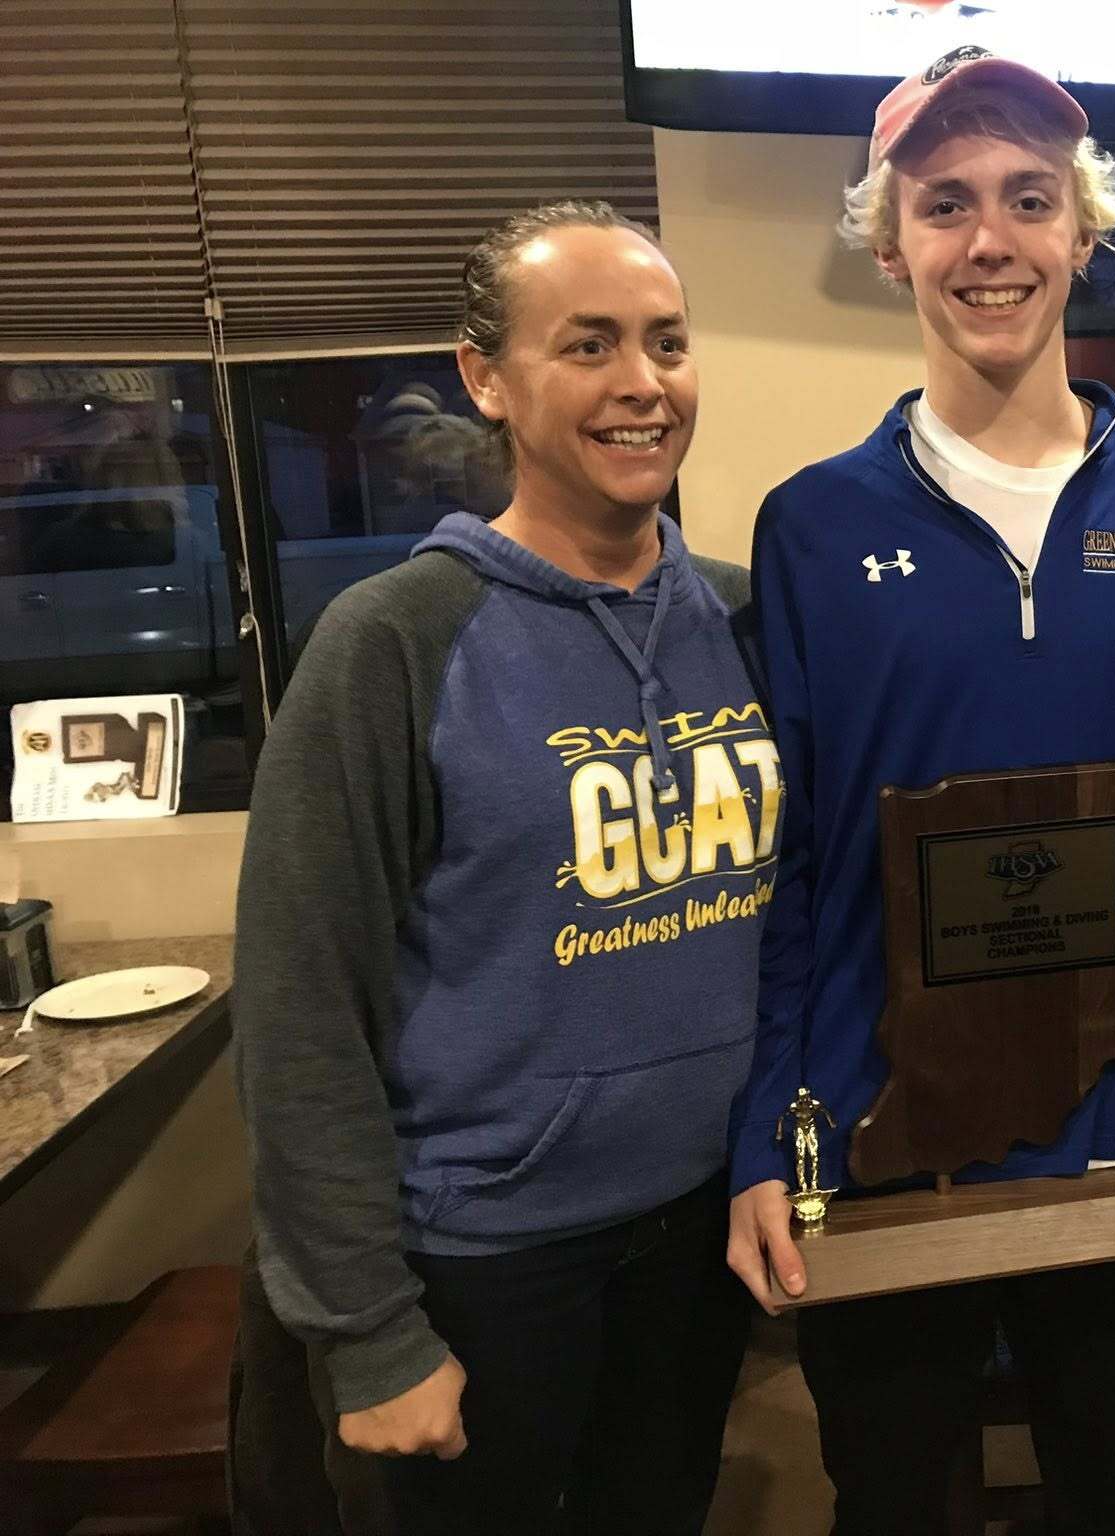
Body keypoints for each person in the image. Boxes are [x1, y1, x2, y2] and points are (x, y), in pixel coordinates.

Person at [724, 47, 1115, 1535]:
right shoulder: (811, 525)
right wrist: (768, 1136)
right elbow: (789, 867)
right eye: (946, 202)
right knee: (891, 1501)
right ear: (889, 242)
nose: (991, 240)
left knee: (1107, 1495)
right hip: (877, 1133)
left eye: (1030, 199)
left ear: (1081, 231)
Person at [230, 199, 771, 1536]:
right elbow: (300, 1008)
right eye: (588, 346)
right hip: (482, 1262)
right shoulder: (392, 641)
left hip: (696, 1236)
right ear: (486, 378)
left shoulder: (749, 616)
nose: (642, 383)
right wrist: (367, 1331)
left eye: (666, 342)